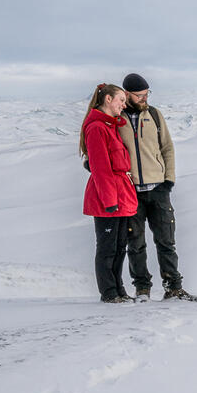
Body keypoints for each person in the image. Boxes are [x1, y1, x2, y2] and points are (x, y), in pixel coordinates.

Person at [118, 72, 197, 302]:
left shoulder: (154, 115)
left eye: (146, 94)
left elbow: (167, 148)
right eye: (139, 95)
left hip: (158, 190)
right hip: (131, 191)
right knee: (135, 244)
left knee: (166, 241)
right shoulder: (117, 118)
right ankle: (142, 289)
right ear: (127, 94)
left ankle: (173, 287)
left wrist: (168, 180)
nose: (144, 98)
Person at [80, 84, 138, 303]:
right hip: (108, 197)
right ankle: (108, 292)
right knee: (107, 248)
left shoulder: (110, 125)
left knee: (119, 246)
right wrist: (109, 201)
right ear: (107, 99)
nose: (124, 105)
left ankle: (119, 289)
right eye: (121, 100)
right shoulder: (96, 128)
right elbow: (101, 168)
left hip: (120, 193)